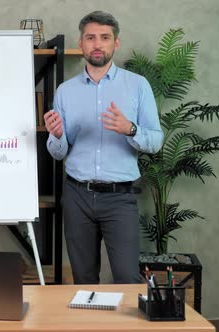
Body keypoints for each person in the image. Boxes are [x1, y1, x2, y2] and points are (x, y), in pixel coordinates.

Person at [44, 11, 164, 284]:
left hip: (119, 198)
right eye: (91, 38)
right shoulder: (65, 91)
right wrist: (58, 136)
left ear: (116, 43)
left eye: (105, 38)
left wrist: (130, 129)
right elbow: (58, 152)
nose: (97, 44)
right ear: (82, 43)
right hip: (77, 196)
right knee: (83, 279)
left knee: (127, 279)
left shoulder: (137, 86)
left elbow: (156, 141)